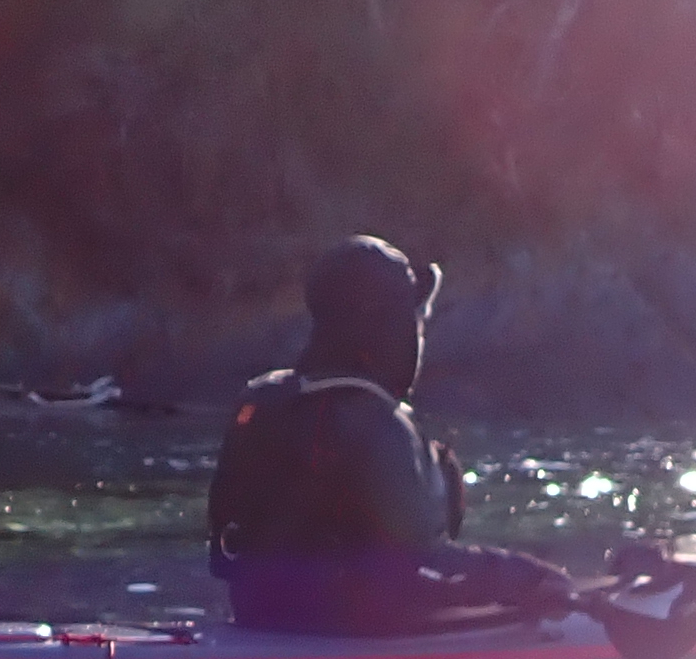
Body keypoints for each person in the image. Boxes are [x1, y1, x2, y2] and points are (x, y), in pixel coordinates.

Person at [207, 236, 576, 636]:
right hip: (347, 635)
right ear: (388, 329)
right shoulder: (382, 426)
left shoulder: (263, 400)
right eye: (414, 319)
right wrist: (529, 579)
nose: (419, 334)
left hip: (257, 620)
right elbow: (420, 568)